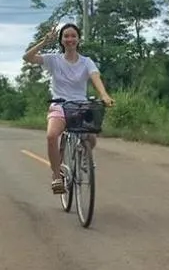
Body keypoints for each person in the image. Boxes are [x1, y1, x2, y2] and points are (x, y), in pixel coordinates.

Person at [23, 22, 114, 193]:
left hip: (80, 105)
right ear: (61, 40)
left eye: (73, 36)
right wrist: (43, 42)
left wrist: (104, 95)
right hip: (60, 105)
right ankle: (57, 176)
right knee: (51, 136)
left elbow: (95, 78)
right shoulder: (53, 60)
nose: (70, 39)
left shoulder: (87, 62)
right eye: (66, 36)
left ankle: (83, 156)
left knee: (91, 138)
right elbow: (27, 58)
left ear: (78, 39)